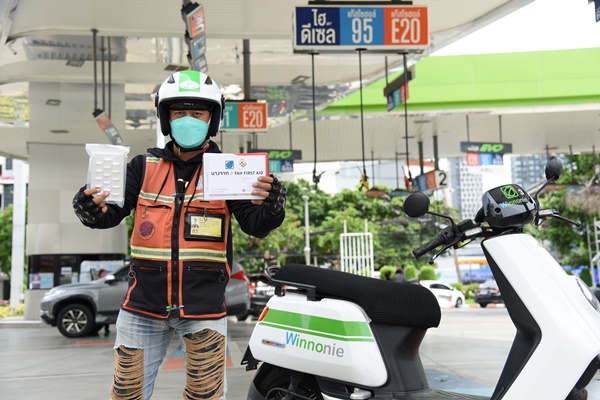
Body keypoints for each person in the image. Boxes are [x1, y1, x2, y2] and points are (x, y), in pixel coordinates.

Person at [72, 70, 286, 400]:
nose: (188, 120)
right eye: (179, 112)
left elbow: (254, 224)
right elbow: (109, 213)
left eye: (197, 113)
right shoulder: (142, 167)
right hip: (142, 307)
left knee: (206, 396)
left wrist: (272, 208)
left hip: (204, 309)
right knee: (126, 394)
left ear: (212, 119)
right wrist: (89, 208)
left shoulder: (227, 170)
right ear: (166, 118)